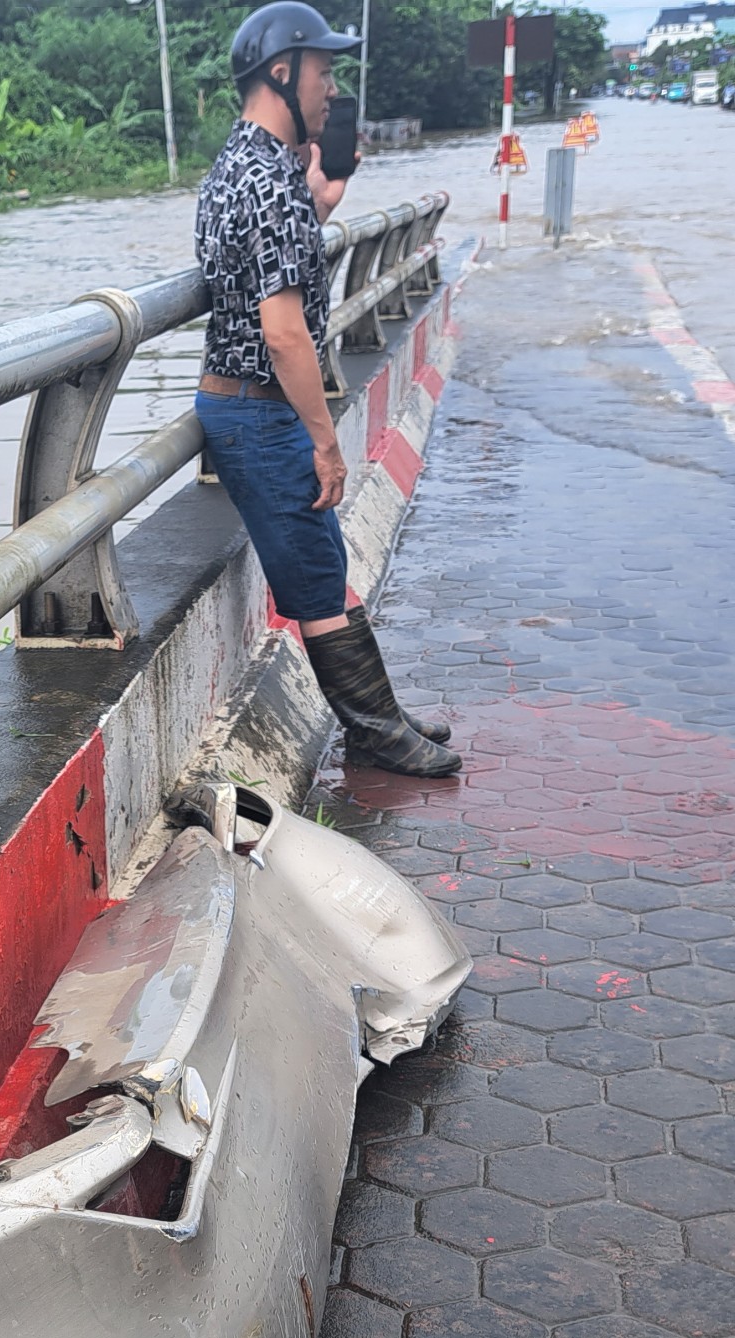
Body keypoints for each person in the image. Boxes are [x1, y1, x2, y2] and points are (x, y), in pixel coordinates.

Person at [193, 2, 459, 779]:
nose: (332, 89)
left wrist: (324, 199)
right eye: (324, 72)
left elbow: (262, 256)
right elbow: (282, 331)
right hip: (261, 406)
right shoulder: (269, 182)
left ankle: (383, 715)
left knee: (322, 562)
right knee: (314, 573)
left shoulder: (241, 168)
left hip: (242, 400)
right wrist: (322, 437)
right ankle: (374, 731)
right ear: (283, 72)